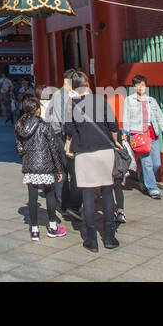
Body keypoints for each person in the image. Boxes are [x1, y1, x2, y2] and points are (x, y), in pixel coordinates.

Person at [62, 71, 122, 253]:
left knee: (87, 195)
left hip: (83, 152)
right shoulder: (101, 101)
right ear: (87, 84)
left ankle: (92, 239)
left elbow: (70, 130)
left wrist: (70, 145)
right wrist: (116, 141)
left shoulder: (71, 106)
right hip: (104, 149)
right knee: (107, 191)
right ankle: (110, 237)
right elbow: (113, 125)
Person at [15, 95, 67, 240]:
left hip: (30, 166)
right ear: (38, 110)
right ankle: (52, 226)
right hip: (45, 164)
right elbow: (53, 148)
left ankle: (35, 229)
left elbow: (18, 146)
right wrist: (59, 168)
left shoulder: (20, 126)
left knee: (32, 198)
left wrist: (25, 157)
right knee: (50, 195)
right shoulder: (45, 126)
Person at [121, 75, 163, 200]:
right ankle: (152, 188)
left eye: (142, 84)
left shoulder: (151, 100)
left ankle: (143, 176)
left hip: (153, 134)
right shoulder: (129, 100)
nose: (140, 87)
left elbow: (159, 116)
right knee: (147, 162)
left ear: (145, 86)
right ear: (134, 87)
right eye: (137, 85)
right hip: (138, 135)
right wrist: (125, 132)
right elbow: (126, 116)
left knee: (156, 164)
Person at [44, 70, 81, 220]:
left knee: (61, 171)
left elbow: (48, 116)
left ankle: (64, 204)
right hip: (69, 137)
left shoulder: (56, 94)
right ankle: (72, 205)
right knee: (73, 172)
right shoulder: (71, 95)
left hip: (58, 135)